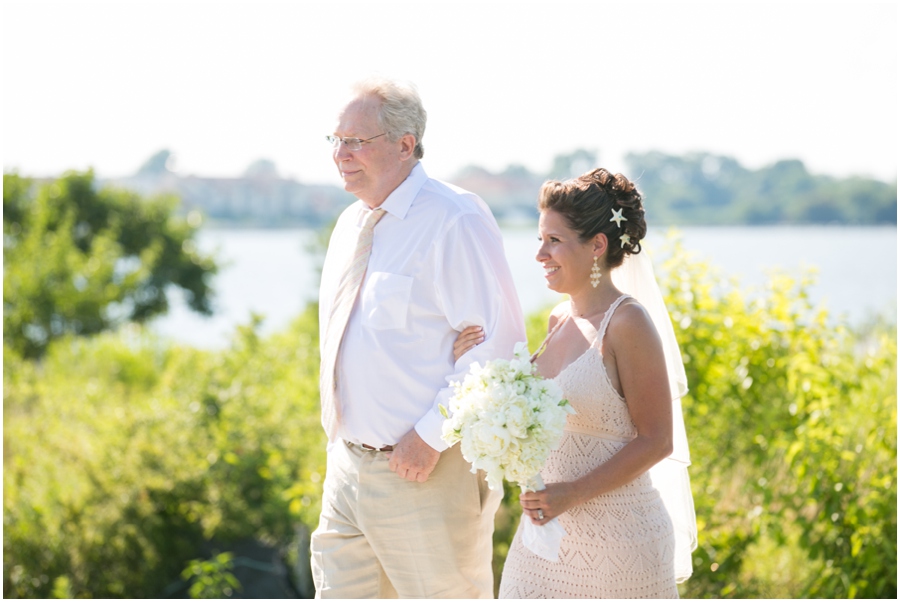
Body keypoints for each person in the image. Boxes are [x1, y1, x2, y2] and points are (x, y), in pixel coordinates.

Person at [311, 77, 526, 599]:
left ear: (405, 144)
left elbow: (497, 345)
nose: (341, 153)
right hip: (346, 469)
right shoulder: (349, 225)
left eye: (356, 141)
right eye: (335, 139)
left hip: (425, 474)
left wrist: (429, 436)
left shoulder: (455, 218)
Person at [454, 168, 697, 598]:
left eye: (554, 240)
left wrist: (575, 492)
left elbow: (658, 440)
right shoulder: (557, 320)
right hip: (546, 538)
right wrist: (469, 371)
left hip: (620, 543)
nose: (540, 254)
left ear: (597, 246)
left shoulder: (628, 323)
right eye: (540, 240)